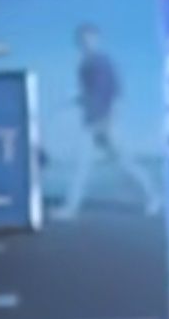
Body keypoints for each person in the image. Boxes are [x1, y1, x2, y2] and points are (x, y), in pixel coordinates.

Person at [59, 23, 161, 220]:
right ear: (78, 43)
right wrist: (76, 98)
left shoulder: (103, 62)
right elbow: (89, 94)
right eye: (82, 40)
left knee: (125, 163)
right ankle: (71, 208)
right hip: (91, 122)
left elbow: (116, 92)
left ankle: (154, 197)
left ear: (97, 39)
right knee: (82, 166)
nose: (86, 43)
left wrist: (111, 119)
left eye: (90, 39)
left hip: (106, 122)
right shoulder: (83, 65)